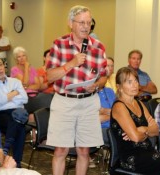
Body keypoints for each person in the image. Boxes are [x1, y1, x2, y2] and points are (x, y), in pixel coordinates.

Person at [46, 5, 107, 174]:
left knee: (84, 150)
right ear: (70, 23)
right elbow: (50, 76)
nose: (85, 26)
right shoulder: (59, 44)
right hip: (64, 101)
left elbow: (104, 76)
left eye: (88, 22)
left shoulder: (98, 47)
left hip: (89, 102)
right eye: (81, 22)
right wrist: (71, 64)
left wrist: (97, 84)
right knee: (61, 150)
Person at [111, 67, 160, 174]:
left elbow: (156, 130)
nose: (135, 85)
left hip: (149, 153)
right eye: (129, 82)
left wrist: (143, 129)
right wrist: (145, 132)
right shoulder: (119, 107)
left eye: (136, 80)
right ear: (119, 87)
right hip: (132, 158)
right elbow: (135, 137)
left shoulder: (139, 103)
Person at [0, 57, 28, 168]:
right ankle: (17, 163)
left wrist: (4, 98)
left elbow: (25, 99)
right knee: (19, 127)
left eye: (1, 64)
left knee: (18, 117)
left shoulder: (15, 81)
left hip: (18, 112)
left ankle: (6, 147)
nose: (0, 68)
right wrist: (14, 94)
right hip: (1, 114)